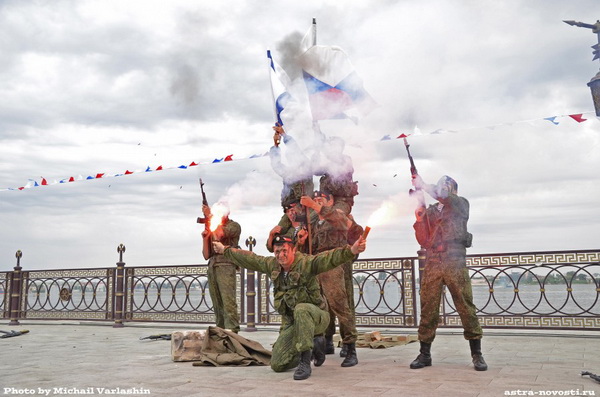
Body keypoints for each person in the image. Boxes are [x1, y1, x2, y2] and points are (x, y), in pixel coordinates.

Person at [211, 233, 367, 380]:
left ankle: (305, 362)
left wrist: (351, 250)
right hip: (293, 322)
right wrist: (225, 250)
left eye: (284, 250)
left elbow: (330, 258)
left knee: (302, 309)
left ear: (293, 249)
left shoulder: (307, 263)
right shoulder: (273, 265)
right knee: (278, 364)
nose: (281, 255)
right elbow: (251, 259)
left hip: (317, 317)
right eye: (277, 251)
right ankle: (314, 345)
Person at [409, 175, 487, 371]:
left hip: (454, 261)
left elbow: (445, 197)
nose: (441, 189)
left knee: (465, 306)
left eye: (446, 186)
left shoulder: (460, 204)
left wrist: (422, 184)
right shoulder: (432, 211)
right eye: (440, 186)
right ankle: (424, 354)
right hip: (433, 262)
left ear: (454, 190)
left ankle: (477, 354)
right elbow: (423, 240)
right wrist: (419, 220)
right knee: (428, 308)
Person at [301, 190, 358, 367]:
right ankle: (322, 344)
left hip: (334, 264)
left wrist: (315, 206)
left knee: (340, 305)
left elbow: (344, 223)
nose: (317, 202)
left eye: (321, 200)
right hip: (318, 265)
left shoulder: (338, 214)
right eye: (316, 199)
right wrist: (303, 241)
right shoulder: (315, 222)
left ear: (331, 201)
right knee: (320, 305)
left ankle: (350, 348)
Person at [201, 202, 242, 334]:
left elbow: (219, 235)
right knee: (217, 304)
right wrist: (205, 237)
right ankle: (220, 332)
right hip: (213, 267)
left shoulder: (233, 226)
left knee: (228, 302)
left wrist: (209, 217)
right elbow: (206, 255)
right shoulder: (212, 226)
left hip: (226, 266)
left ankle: (232, 333)